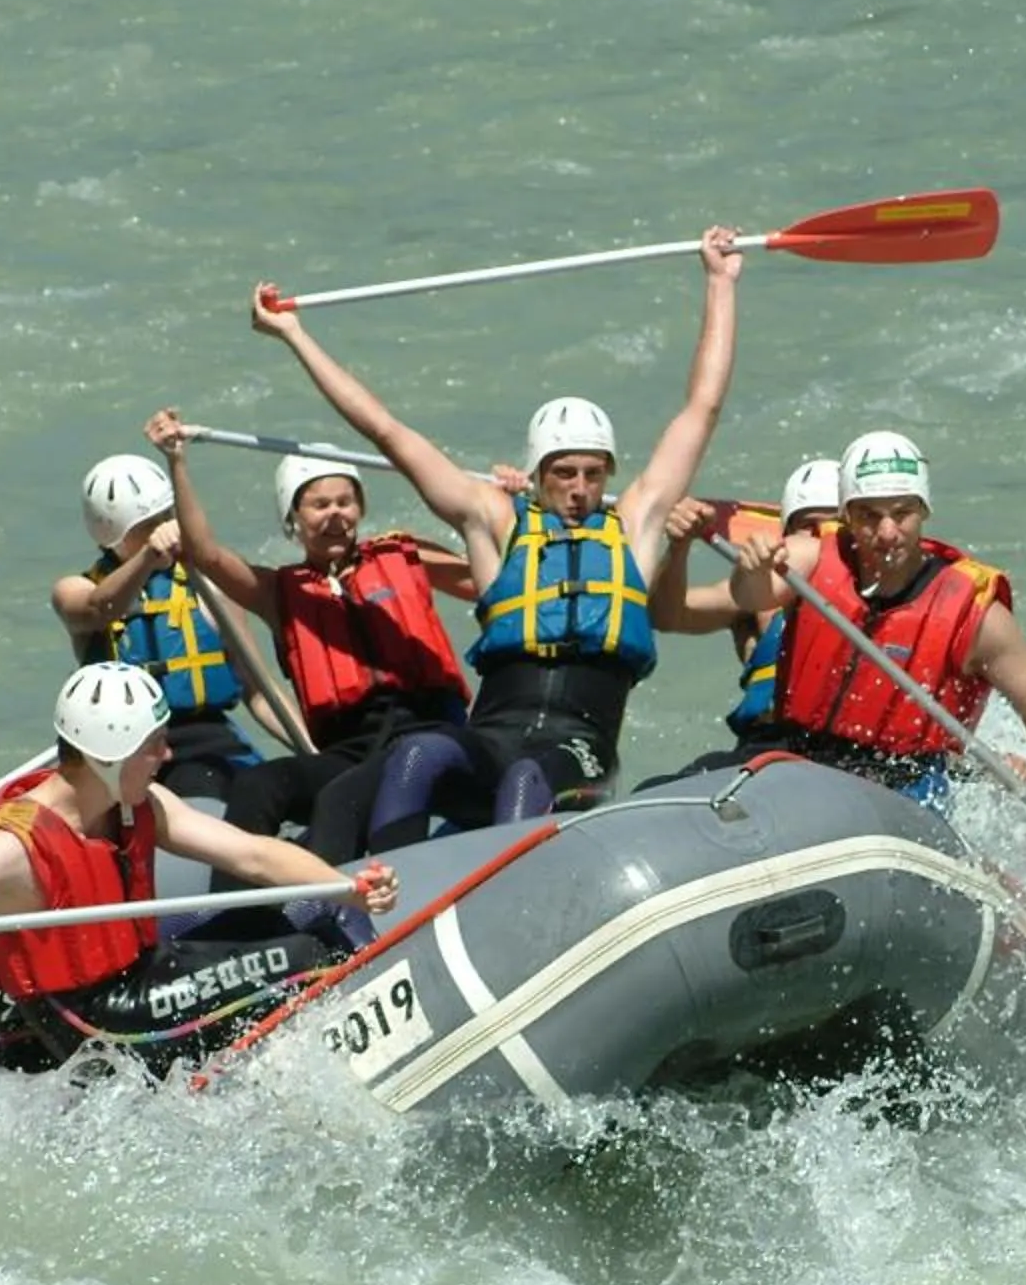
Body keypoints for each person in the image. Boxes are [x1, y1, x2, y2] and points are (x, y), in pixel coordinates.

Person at [249, 224, 742, 843]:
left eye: (594, 474)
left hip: (578, 750)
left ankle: (501, 903)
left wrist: (719, 283)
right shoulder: (497, 524)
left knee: (525, 783)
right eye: (564, 474)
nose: (580, 488)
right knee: (418, 755)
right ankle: (380, 899)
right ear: (536, 476)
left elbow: (703, 407)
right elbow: (387, 432)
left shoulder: (634, 527)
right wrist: (294, 334)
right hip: (492, 735)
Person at [0, 663, 402, 1074]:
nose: (166, 756)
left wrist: (346, 888)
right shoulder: (6, 847)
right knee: (306, 955)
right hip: (97, 1024)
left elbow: (251, 855)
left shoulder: (140, 803)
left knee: (313, 911)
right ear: (111, 751)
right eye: (153, 744)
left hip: (145, 972)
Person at [729, 431, 1026, 847]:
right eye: (868, 515)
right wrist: (752, 569)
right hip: (801, 762)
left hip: (904, 791)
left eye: (901, 514)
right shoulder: (809, 558)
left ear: (923, 511)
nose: (887, 532)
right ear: (846, 514)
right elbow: (749, 595)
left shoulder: (975, 614)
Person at [146, 412, 475, 861]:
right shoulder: (278, 593)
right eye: (320, 505)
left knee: (349, 795)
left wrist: (504, 503)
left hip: (431, 732)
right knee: (259, 785)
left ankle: (359, 895)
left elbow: (488, 569)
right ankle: (242, 917)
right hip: (351, 750)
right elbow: (205, 554)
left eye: (345, 502)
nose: (336, 514)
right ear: (293, 519)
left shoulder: (406, 554)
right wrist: (177, 462)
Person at [49, 454, 267, 804]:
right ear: (112, 536)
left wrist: (311, 748)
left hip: (204, 737)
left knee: (258, 786)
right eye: (147, 526)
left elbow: (260, 693)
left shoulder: (209, 585)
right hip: (123, 749)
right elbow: (98, 609)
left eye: (166, 517)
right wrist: (149, 557)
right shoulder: (75, 590)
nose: (163, 530)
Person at [641, 455, 840, 779]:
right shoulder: (756, 597)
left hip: (833, 753)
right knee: (657, 787)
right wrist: (678, 548)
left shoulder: (876, 601)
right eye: (808, 525)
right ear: (786, 532)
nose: (819, 537)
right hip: (764, 749)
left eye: (833, 525)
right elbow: (667, 615)